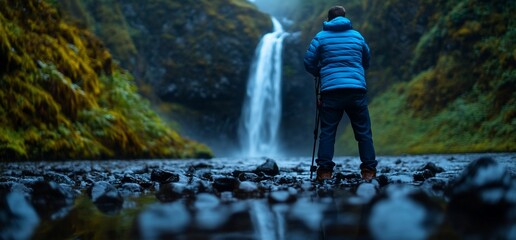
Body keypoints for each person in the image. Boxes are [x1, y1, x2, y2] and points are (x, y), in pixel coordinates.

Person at [304, 6, 377, 181]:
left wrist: (319, 72)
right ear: (345, 18)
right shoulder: (357, 36)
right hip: (356, 91)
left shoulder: (320, 37)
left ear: (328, 19)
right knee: (364, 133)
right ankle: (368, 171)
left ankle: (325, 171)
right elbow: (366, 60)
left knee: (327, 132)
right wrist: (355, 72)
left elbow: (308, 61)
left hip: (331, 92)